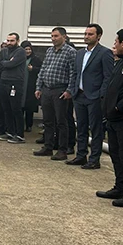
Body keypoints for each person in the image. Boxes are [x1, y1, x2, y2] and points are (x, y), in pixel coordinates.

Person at [67, 24, 114, 169]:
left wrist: (101, 95)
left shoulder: (104, 53)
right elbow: (75, 73)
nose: (86, 36)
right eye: (86, 34)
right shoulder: (80, 53)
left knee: (95, 129)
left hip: (94, 97)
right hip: (79, 95)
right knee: (80, 127)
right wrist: (73, 89)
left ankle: (94, 159)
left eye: (90, 34)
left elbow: (108, 76)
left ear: (98, 36)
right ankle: (81, 155)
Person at [33, 27, 77, 161]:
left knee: (61, 121)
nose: (53, 38)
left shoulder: (71, 52)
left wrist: (69, 90)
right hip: (47, 89)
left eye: (56, 36)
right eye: (52, 36)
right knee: (47, 121)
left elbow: (73, 73)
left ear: (64, 36)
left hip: (60, 90)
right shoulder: (49, 51)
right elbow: (43, 69)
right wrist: (38, 87)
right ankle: (48, 147)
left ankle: (62, 150)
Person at [96, 29, 123, 206]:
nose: (114, 44)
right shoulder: (119, 63)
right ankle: (119, 187)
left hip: (121, 118)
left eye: (116, 41)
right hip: (112, 119)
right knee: (116, 155)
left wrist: (117, 107)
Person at [0, 33, 27, 144]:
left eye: (12, 41)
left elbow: (12, 64)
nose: (9, 43)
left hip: (15, 83)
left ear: (17, 41)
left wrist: (5, 62)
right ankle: (10, 132)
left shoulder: (21, 51)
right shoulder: (3, 51)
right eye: (8, 40)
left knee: (15, 109)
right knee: (6, 109)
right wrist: (6, 62)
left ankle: (20, 134)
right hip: (3, 82)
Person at [22, 41, 43, 133]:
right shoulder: (20, 58)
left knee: (29, 107)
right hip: (21, 85)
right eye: (26, 49)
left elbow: (42, 70)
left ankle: (29, 125)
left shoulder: (36, 59)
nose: (28, 51)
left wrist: (33, 69)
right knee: (20, 106)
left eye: (29, 49)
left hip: (30, 86)